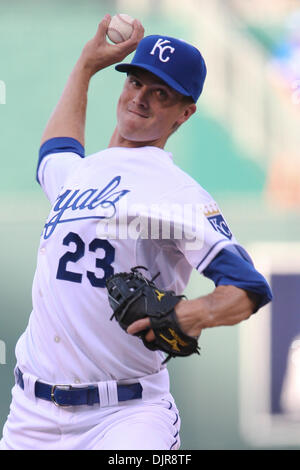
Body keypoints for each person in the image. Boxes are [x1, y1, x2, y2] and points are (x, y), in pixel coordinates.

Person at [0, 14, 272, 450]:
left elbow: (248, 286)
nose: (140, 99)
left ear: (185, 113)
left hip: (124, 417)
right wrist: (85, 68)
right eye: (135, 83)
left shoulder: (177, 192)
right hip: (30, 414)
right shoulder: (83, 173)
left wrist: (190, 315)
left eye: (160, 93)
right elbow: (55, 153)